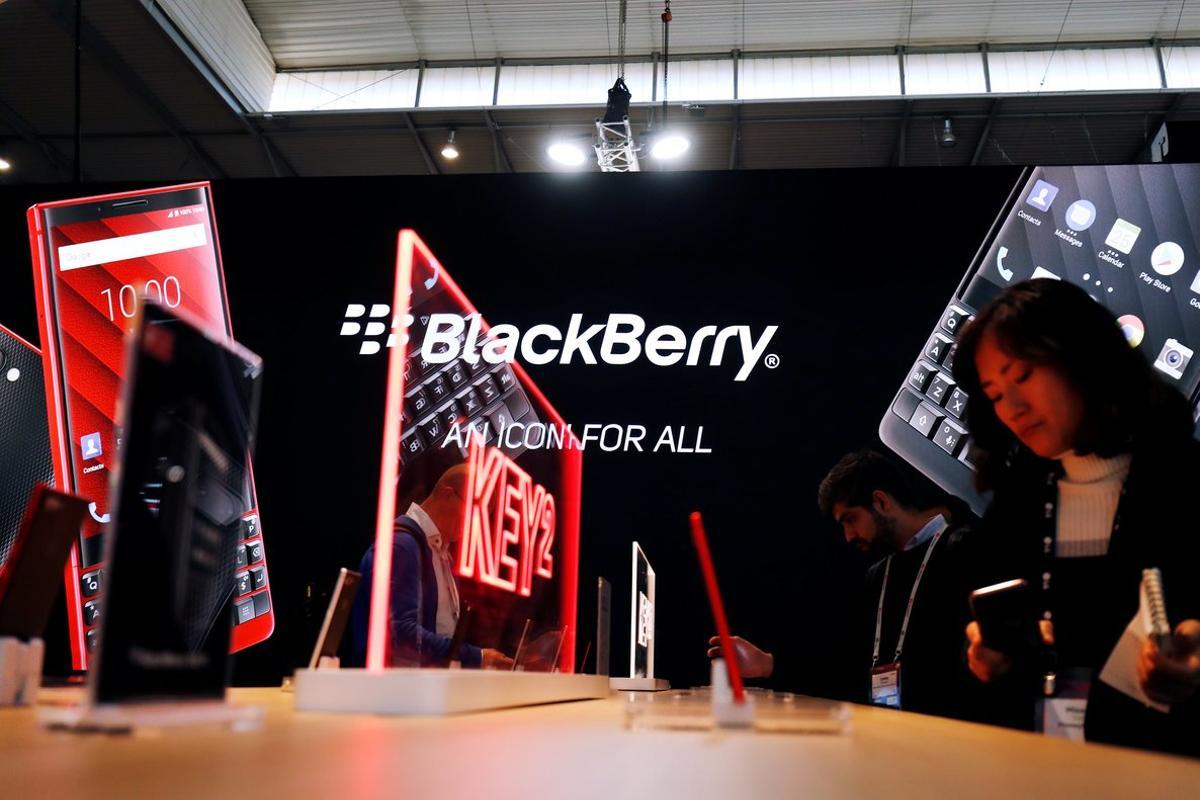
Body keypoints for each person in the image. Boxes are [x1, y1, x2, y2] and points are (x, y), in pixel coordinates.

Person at [953, 278, 1200, 756]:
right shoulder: (1017, 501)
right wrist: (990, 655)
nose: (1014, 409)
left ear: (1083, 358)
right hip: (1047, 763)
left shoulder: (1183, 478)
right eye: (996, 394)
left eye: (1022, 376)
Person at [710, 450, 983, 720]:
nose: (848, 535)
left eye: (850, 519)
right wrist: (767, 664)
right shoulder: (878, 576)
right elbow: (844, 664)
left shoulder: (964, 550)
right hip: (889, 742)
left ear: (880, 502)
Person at [350, 464, 513, 669]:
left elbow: (440, 634)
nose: (475, 524)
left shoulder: (439, 552)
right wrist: (476, 657)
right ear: (447, 495)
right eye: (474, 512)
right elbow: (400, 634)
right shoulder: (401, 546)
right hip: (394, 692)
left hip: (422, 688)